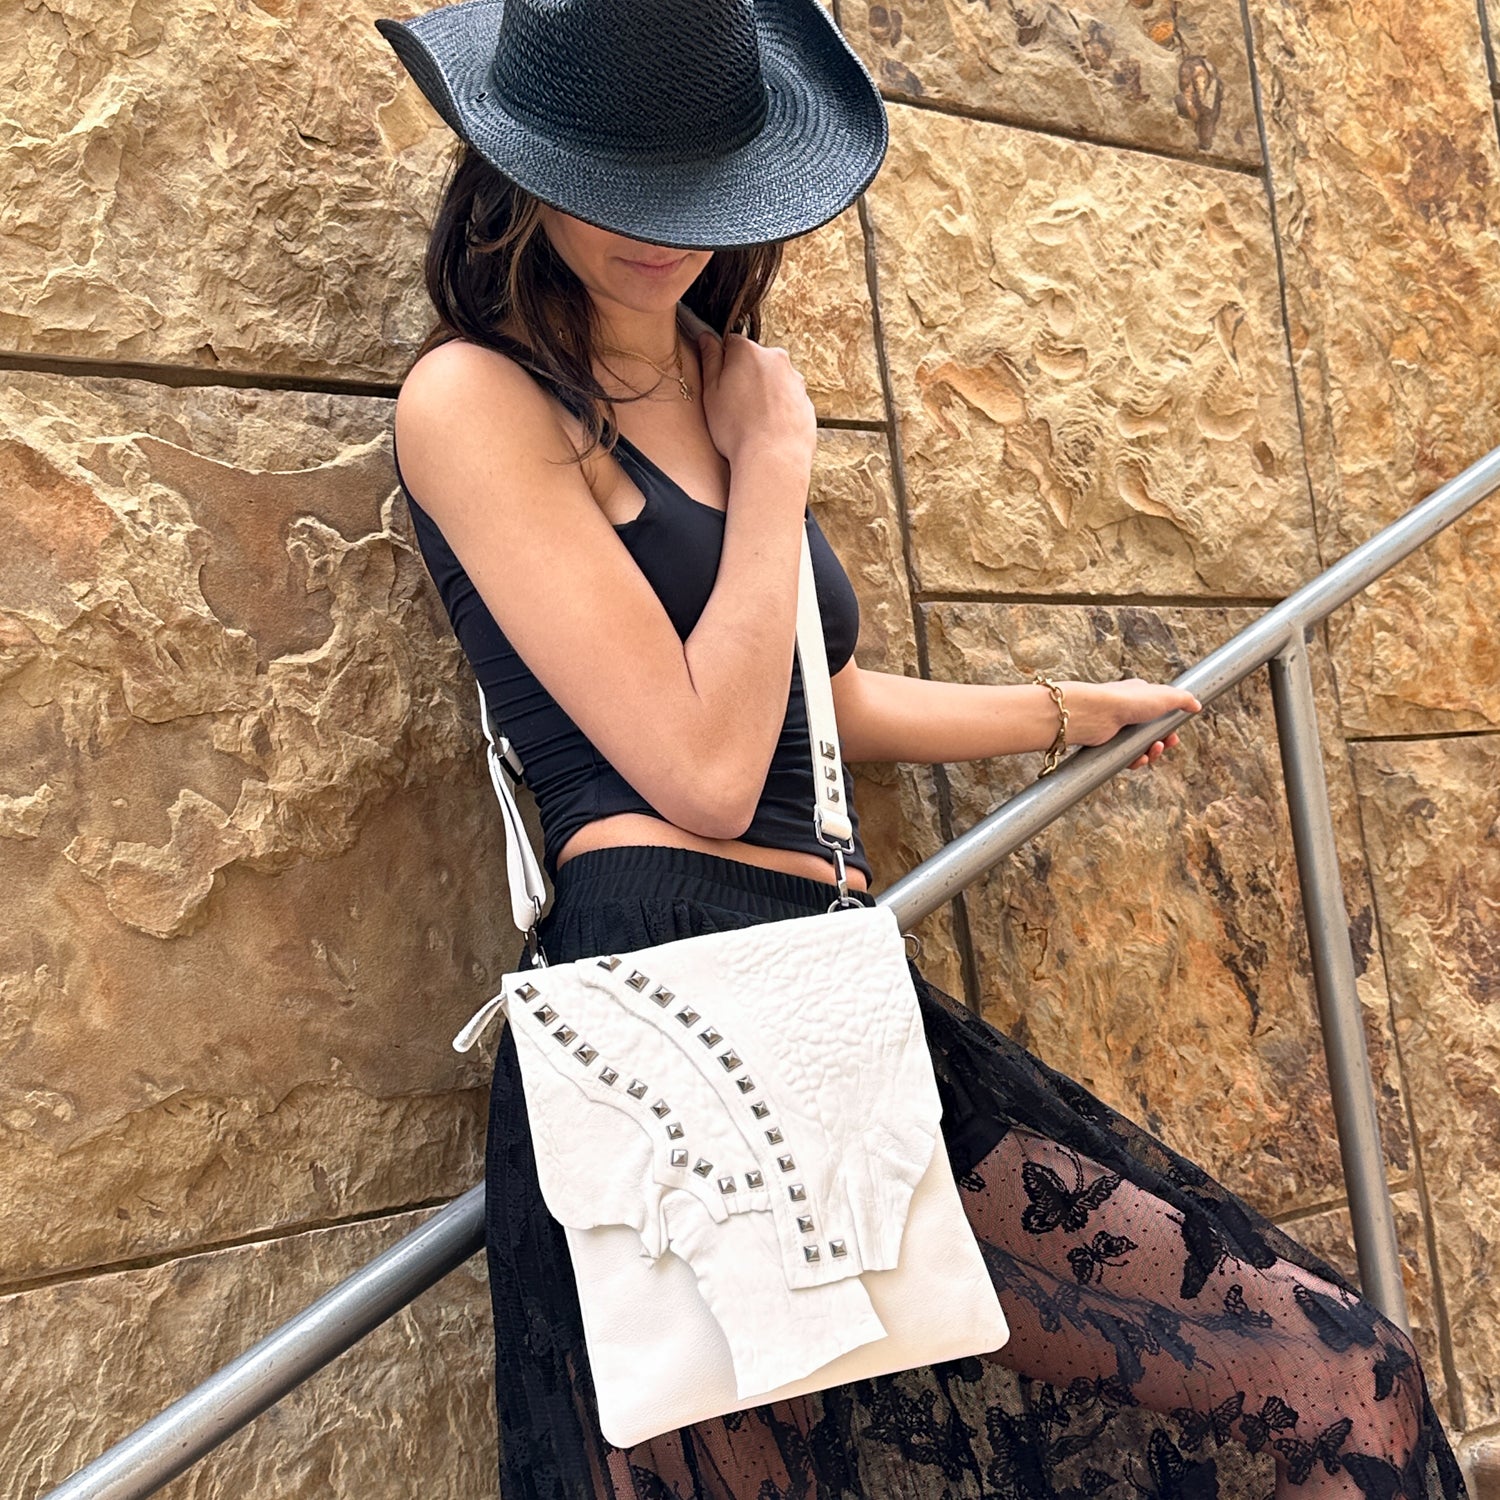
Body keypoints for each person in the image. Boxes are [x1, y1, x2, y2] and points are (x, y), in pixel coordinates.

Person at [376, 1, 1466, 1497]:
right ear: (523, 163)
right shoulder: (480, 397)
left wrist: (1062, 714)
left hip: (826, 969)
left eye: (695, 190)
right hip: (669, 1001)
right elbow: (697, 769)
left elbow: (807, 702)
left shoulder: (722, 374)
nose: (661, 234)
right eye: (615, 183)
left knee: (1335, 1375)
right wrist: (770, 472)